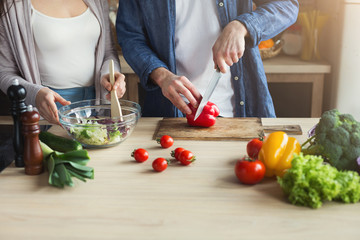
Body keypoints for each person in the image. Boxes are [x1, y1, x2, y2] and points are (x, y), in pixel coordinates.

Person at [116, 0, 299, 118]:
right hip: (171, 111)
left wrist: (242, 25)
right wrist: (161, 75)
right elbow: (130, 36)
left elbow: (287, 5)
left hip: (239, 110)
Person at [0, 0, 126, 124]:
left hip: (97, 107)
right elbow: (4, 72)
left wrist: (110, 74)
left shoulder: (97, 1)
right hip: (49, 112)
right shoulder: (13, 6)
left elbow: (108, 52)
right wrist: (35, 94)